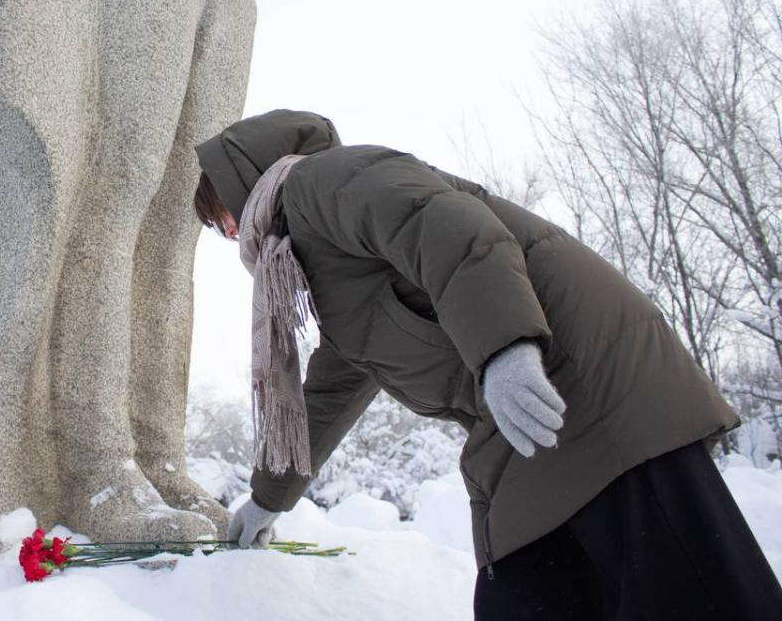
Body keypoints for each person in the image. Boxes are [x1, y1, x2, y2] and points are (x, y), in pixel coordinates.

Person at [192, 108, 782, 620]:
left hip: (590, 387)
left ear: (238, 188)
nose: (231, 234)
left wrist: (505, 348)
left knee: (690, 598)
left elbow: (448, 228)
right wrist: (271, 497)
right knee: (525, 597)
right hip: (524, 427)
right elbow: (328, 391)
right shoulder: (320, 271)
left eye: (220, 218)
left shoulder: (322, 181)